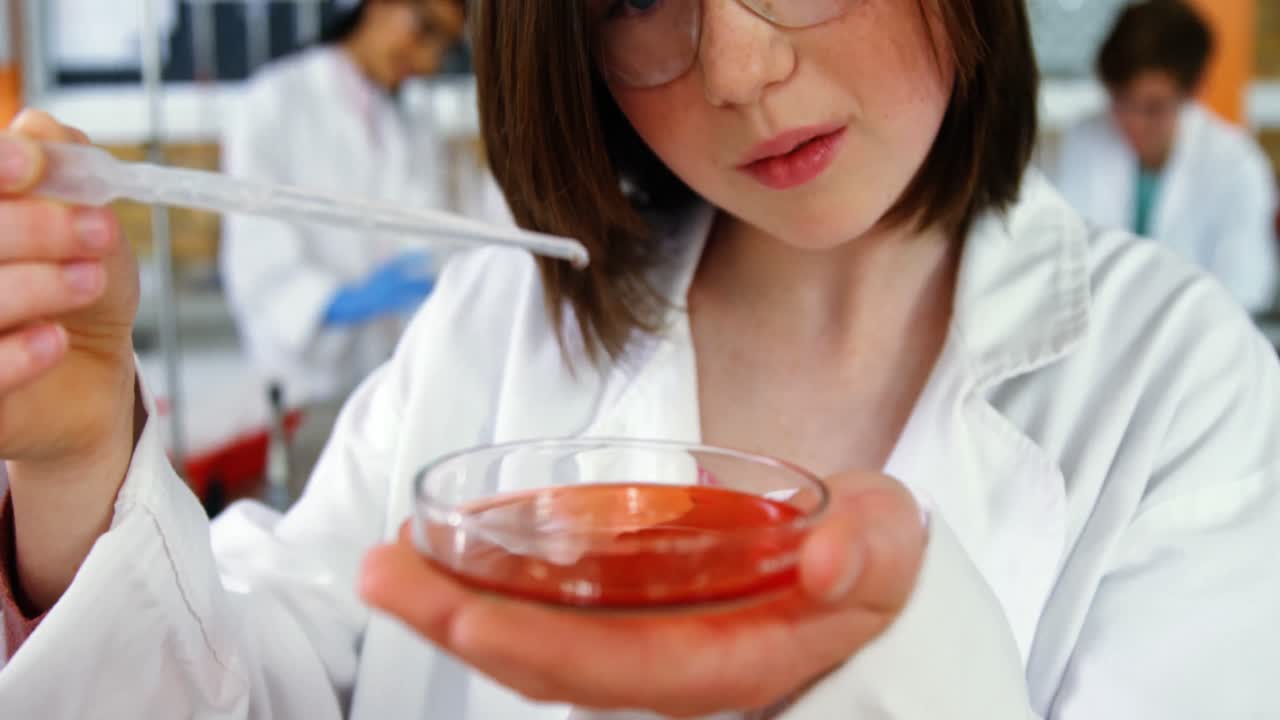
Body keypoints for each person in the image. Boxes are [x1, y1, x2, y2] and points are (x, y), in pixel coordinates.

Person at [0, 0, 1278, 718]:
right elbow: (249, 685)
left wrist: (896, 668)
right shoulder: (499, 321)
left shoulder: (1172, 385)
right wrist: (71, 461)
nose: (737, 65)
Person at [219, 0, 470, 406]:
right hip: (303, 384)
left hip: (390, 381)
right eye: (424, 29)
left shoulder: (413, 128)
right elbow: (255, 253)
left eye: (445, 47)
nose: (428, 60)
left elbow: (430, 234)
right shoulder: (272, 103)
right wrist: (335, 305)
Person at [1053, 0, 1279, 314]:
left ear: (1194, 90)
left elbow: (1245, 286)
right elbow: (1066, 262)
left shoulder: (1238, 166)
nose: (1133, 121)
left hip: (1201, 342)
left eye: (1153, 107)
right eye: (1121, 100)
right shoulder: (1084, 140)